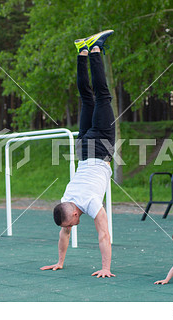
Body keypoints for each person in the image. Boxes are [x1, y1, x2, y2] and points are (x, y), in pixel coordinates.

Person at [40, 30, 116, 278]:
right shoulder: (66, 197)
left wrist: (106, 268)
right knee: (86, 98)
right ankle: (82, 52)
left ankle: (95, 49)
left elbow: (103, 234)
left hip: (100, 148)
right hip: (82, 149)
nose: (72, 227)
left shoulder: (91, 204)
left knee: (102, 95)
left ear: (72, 213)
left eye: (71, 223)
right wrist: (59, 261)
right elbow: (63, 234)